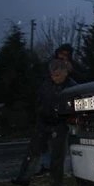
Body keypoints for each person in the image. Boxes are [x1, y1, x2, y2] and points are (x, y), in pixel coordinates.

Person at [11, 59, 77, 186]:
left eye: (57, 75)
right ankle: (23, 178)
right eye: (53, 75)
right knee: (32, 151)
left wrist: (63, 117)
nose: (55, 78)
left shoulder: (72, 87)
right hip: (43, 121)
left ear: (65, 73)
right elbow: (40, 99)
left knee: (57, 157)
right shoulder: (47, 83)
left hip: (59, 124)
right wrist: (39, 112)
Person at [34, 44, 84, 178]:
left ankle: (67, 169)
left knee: (64, 144)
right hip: (48, 112)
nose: (63, 57)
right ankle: (46, 166)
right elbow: (43, 86)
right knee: (45, 142)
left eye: (65, 54)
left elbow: (81, 83)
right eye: (61, 54)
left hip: (64, 114)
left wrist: (71, 71)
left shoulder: (73, 70)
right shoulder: (49, 68)